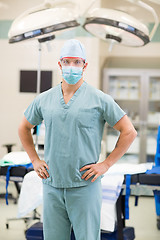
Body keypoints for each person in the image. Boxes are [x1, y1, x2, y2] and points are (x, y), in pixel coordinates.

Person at [18, 39, 137, 240]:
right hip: (52, 184)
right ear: (59, 64)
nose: (71, 66)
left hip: (84, 185)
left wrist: (106, 164)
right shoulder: (44, 99)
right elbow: (24, 127)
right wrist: (35, 160)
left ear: (84, 65)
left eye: (77, 62)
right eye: (67, 61)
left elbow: (129, 131)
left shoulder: (100, 99)